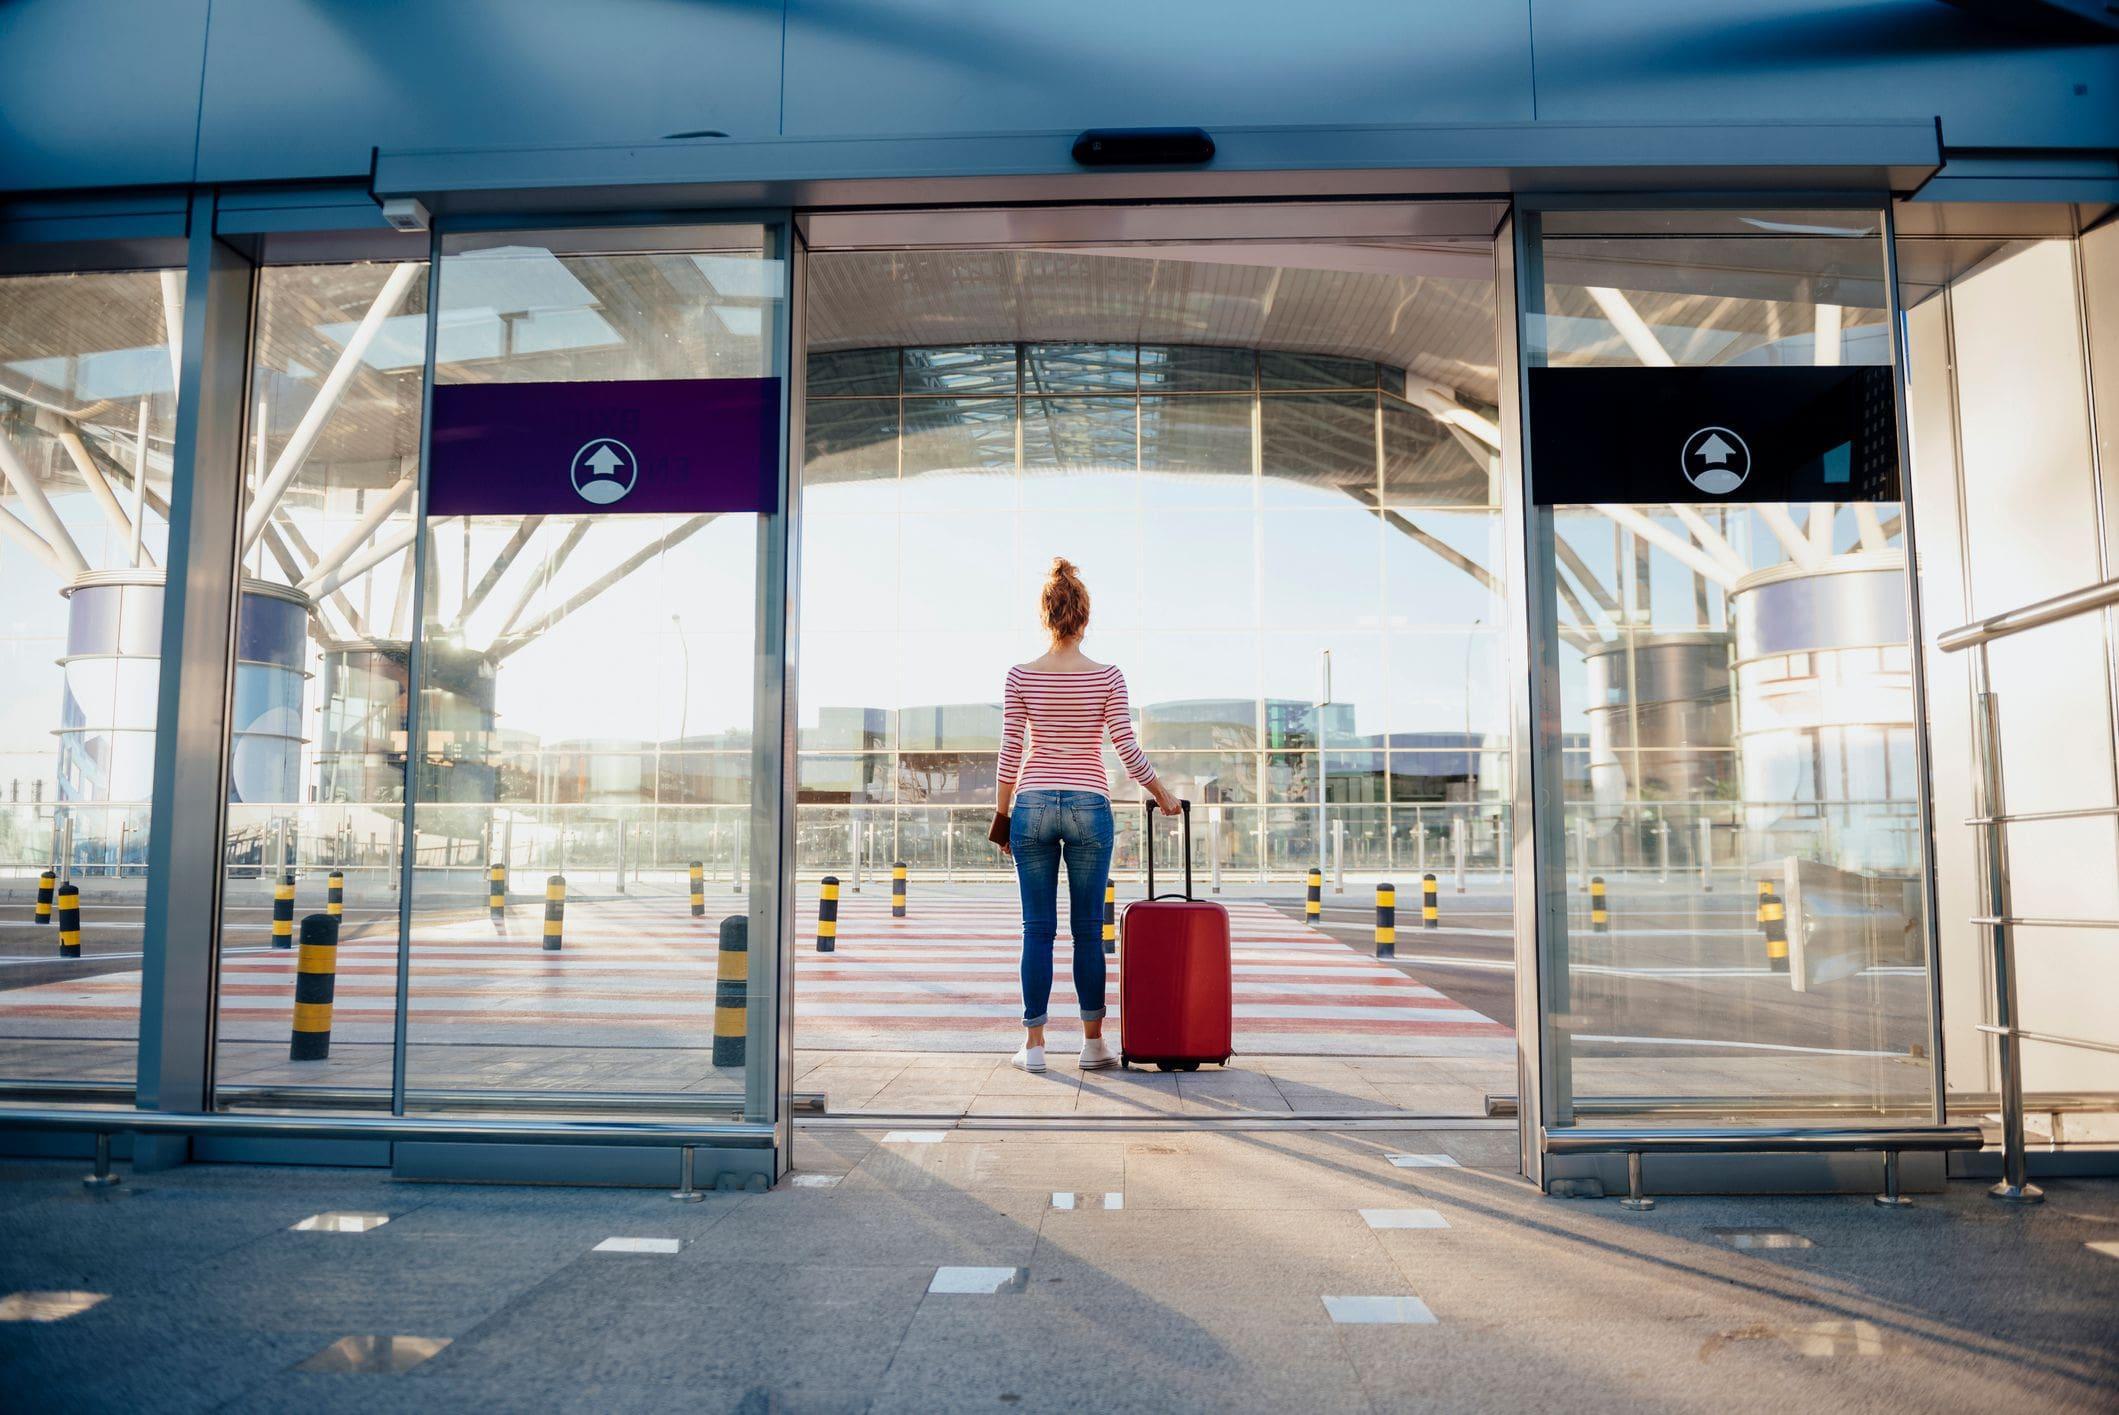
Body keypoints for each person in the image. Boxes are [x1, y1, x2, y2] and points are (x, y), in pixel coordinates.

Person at [995, 558, 1180, 1074]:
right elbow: (1124, 744)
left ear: (1046, 618)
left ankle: (1033, 1046)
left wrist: (1002, 816)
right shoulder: (1107, 676)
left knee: (1036, 928)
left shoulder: (1019, 676)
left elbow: (1011, 750)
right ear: (1084, 618)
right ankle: (1093, 1043)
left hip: (1031, 803)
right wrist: (1161, 791)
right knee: (1085, 929)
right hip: (1088, 804)